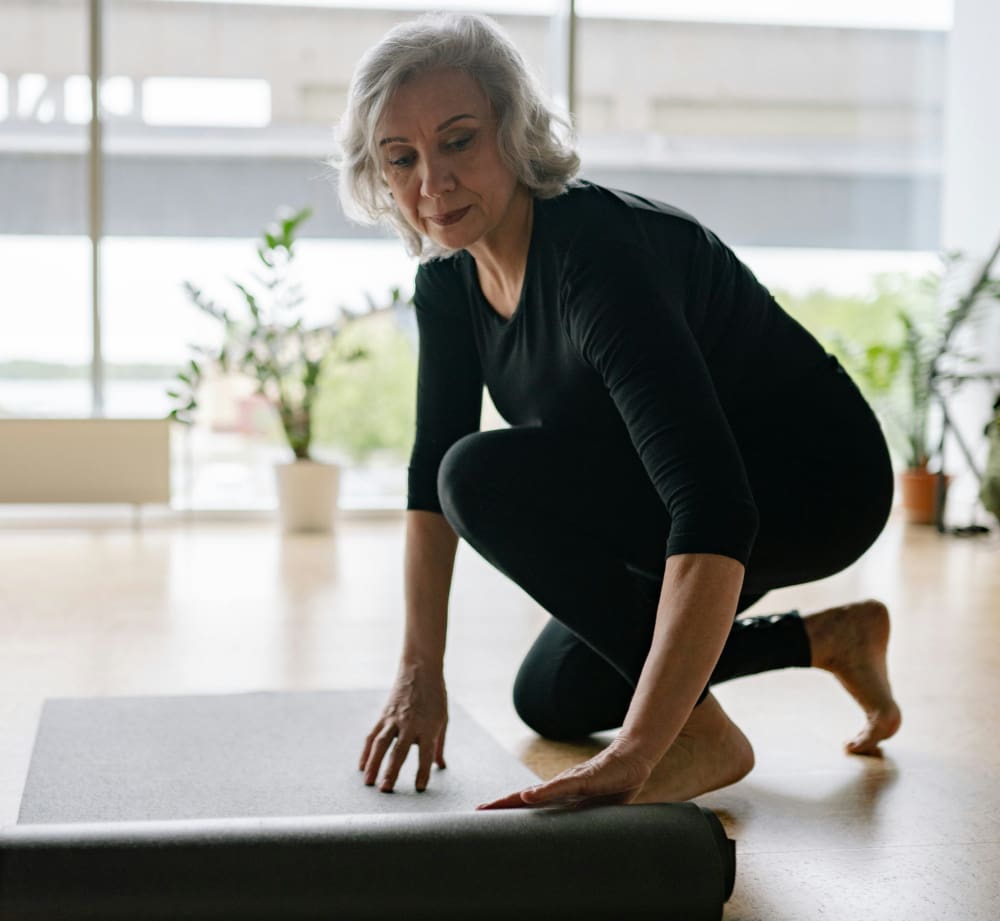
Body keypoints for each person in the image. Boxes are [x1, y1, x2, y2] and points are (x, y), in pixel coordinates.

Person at [333, 11, 901, 810]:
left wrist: (644, 748)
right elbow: (427, 480)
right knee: (555, 694)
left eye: (458, 140)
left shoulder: (596, 257)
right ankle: (828, 638)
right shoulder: (448, 281)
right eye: (402, 158)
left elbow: (712, 503)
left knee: (482, 477)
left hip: (811, 480)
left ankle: (704, 737)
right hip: (675, 489)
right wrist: (419, 673)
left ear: (514, 129)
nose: (432, 183)